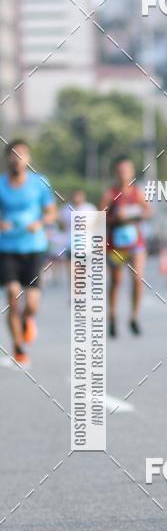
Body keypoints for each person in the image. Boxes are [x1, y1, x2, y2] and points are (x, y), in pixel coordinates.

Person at [0, 140, 57, 366]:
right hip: (7, 249)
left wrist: (40, 223)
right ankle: (18, 348)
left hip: (33, 247)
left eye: (22, 154)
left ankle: (27, 320)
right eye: (14, 154)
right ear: (7, 158)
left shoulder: (40, 183)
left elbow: (51, 213)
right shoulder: (1, 184)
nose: (18, 158)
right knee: (13, 295)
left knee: (32, 303)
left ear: (28, 159)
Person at [100, 156, 151, 337]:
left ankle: (134, 316)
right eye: (121, 171)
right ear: (116, 173)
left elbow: (148, 211)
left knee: (137, 279)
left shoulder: (137, 193)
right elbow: (99, 218)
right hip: (116, 245)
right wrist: (116, 218)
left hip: (136, 243)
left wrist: (134, 215)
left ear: (132, 172)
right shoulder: (110, 194)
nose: (124, 174)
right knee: (117, 281)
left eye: (127, 171)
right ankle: (113, 316)